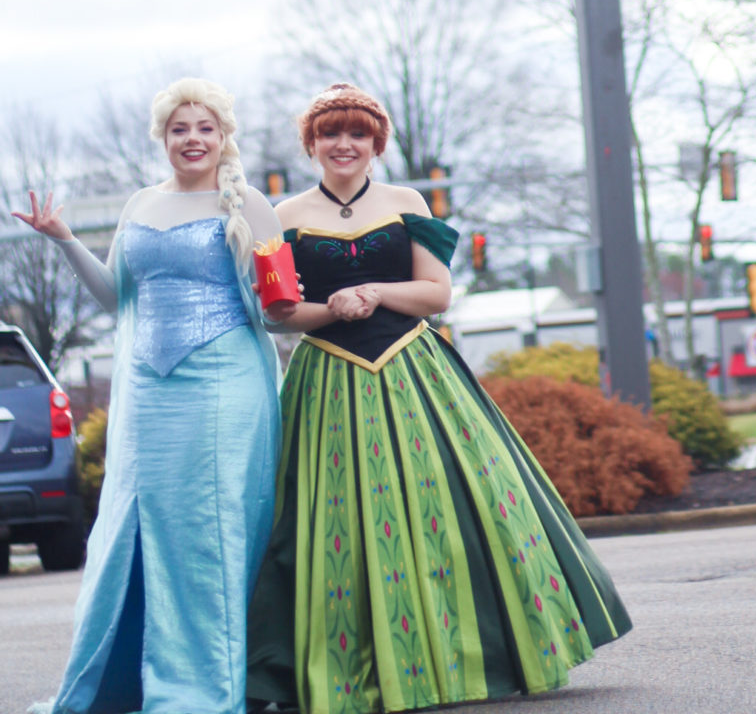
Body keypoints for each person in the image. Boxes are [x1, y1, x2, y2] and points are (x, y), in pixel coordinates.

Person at [247, 83, 631, 711]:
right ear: (311, 143)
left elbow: (436, 293)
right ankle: (343, 669)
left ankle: (462, 656)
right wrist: (328, 309)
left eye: (358, 134)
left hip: (413, 371)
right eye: (330, 134)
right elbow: (279, 313)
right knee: (334, 521)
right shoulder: (281, 217)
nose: (344, 144)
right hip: (328, 380)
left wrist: (372, 290)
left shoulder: (406, 202)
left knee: (451, 508)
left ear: (376, 144)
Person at [14, 78, 282, 714]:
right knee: (137, 528)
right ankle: (123, 677)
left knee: (208, 529)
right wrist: (62, 238)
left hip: (225, 384)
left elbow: (278, 306)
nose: (193, 139)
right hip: (148, 394)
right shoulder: (139, 205)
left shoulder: (251, 206)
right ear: (163, 139)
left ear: (224, 137)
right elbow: (116, 299)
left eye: (205, 128)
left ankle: (205, 686)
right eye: (179, 129)